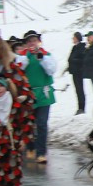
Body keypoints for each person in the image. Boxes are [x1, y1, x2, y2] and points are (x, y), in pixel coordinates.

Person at [0, 36, 34, 186]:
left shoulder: (12, 68)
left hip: (10, 130)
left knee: (11, 170)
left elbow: (28, 96)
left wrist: (23, 99)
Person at [19, 31, 56, 164]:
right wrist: (27, 56)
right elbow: (19, 69)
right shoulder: (22, 56)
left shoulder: (47, 55)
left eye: (34, 40)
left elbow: (51, 70)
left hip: (44, 94)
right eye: (29, 41)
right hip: (28, 95)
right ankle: (30, 147)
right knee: (29, 123)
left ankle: (41, 152)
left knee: (41, 123)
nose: (32, 43)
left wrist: (41, 58)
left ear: (38, 42)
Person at [68, 32, 87, 114]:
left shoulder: (81, 47)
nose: (72, 38)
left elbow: (83, 59)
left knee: (80, 90)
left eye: (74, 37)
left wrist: (73, 61)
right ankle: (79, 107)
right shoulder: (74, 47)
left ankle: (82, 108)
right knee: (77, 90)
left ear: (77, 38)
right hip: (74, 71)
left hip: (79, 71)